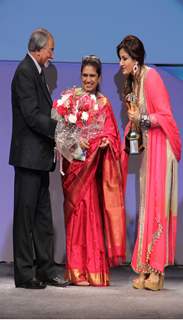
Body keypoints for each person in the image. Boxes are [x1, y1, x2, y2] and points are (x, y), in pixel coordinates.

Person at [53, 55, 126, 286]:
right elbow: (61, 134)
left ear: (99, 77)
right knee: (75, 220)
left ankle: (93, 270)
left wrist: (104, 142)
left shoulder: (103, 103)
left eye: (92, 76)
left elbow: (112, 135)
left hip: (92, 171)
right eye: (84, 75)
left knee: (91, 218)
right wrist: (76, 140)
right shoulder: (70, 100)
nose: (87, 80)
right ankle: (76, 271)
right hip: (75, 168)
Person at [116, 35, 181, 290]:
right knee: (147, 205)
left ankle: (158, 271)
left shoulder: (151, 76)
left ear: (136, 58)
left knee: (157, 205)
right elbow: (138, 123)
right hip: (149, 147)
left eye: (124, 58)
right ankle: (144, 267)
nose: (120, 63)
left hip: (162, 147)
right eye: (120, 59)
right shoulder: (134, 82)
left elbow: (165, 116)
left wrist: (140, 119)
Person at [9, 28, 68, 289]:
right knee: (25, 217)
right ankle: (24, 274)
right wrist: (60, 128)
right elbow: (32, 115)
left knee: (43, 218)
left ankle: (46, 270)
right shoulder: (24, 72)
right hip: (28, 158)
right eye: (50, 49)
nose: (52, 54)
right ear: (38, 49)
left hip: (40, 158)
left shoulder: (37, 72)